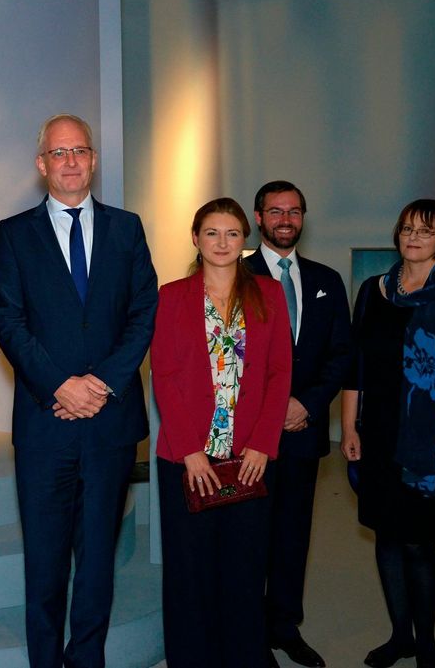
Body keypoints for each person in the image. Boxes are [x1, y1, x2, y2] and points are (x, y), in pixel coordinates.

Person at [0, 114, 157, 668]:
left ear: (93, 160)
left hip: (110, 425)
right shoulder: (14, 233)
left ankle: (87, 659)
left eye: (79, 150)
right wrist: (60, 385)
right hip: (46, 425)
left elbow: (143, 312)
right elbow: (8, 320)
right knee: (44, 562)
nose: (69, 161)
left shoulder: (127, 228)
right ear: (42, 164)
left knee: (97, 561)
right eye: (58, 153)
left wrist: (101, 384)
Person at [341, 199, 435, 668]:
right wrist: (349, 427)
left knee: (419, 541)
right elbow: (356, 366)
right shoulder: (373, 291)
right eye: (406, 229)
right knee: (386, 535)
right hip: (379, 437)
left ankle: (427, 644)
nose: (414, 237)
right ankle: (400, 635)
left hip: (433, 444)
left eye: (425, 230)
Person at [151, 197, 292, 668]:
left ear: (244, 240)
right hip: (187, 459)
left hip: (249, 458)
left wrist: (263, 444)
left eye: (232, 233)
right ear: (196, 238)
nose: (222, 242)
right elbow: (164, 376)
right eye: (212, 233)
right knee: (189, 572)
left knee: (244, 570)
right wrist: (190, 451)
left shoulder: (269, 294)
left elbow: (279, 373)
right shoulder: (171, 297)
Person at [245, 181, 351, 668]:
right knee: (250, 536)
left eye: (294, 211)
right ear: (258, 217)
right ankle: (250, 633)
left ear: (303, 217)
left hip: (303, 431)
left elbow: (341, 354)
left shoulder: (327, 279)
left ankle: (285, 626)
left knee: (292, 535)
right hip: (250, 435)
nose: (285, 220)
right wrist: (272, 408)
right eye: (275, 211)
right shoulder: (235, 275)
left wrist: (306, 404)